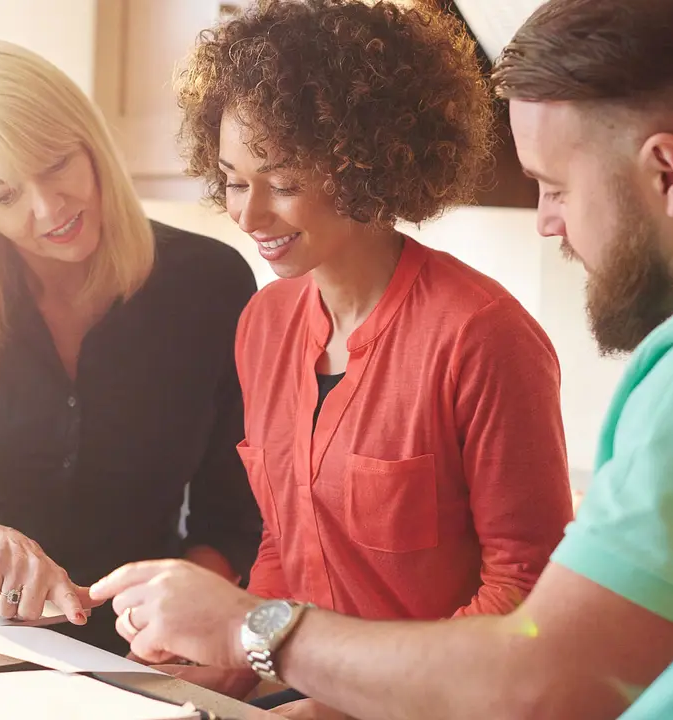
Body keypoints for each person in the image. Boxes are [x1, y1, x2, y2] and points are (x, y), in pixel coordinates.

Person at [92, 0, 673, 716]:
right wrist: (238, 659)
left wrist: (248, 630)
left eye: (557, 186)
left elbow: (539, 676)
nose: (546, 221)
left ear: (667, 171)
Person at [144, 0, 574, 708]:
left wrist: (348, 704)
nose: (248, 216)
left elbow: (525, 597)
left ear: (365, 167)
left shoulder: (482, 336)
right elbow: (287, 550)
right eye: (232, 178)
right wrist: (226, 665)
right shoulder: (264, 325)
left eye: (282, 183)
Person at [0, 38, 262, 656]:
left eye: (56, 164)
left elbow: (231, 516)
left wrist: (181, 622)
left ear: (89, 141)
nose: (49, 209)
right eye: (3, 195)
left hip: (134, 632)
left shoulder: (210, 282)